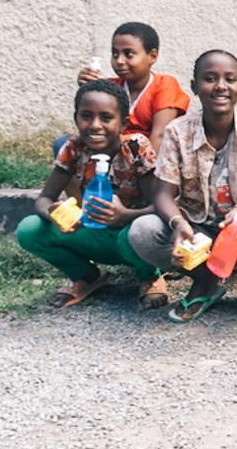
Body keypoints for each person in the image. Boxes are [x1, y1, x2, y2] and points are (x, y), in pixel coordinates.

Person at [127, 51, 237, 322]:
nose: (221, 86)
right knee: (143, 231)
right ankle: (204, 281)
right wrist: (179, 225)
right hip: (196, 229)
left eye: (229, 79)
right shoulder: (178, 131)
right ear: (195, 86)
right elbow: (164, 195)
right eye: (210, 79)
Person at [16, 80, 165, 310]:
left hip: (129, 236)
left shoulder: (136, 148)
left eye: (106, 118)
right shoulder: (73, 148)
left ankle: (149, 276)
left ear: (123, 123)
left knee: (142, 230)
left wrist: (124, 215)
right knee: (30, 229)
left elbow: (161, 206)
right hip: (91, 233)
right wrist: (55, 214)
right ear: (76, 118)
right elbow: (44, 198)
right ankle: (86, 276)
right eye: (86, 116)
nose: (95, 125)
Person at [76, 22, 190, 153]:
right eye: (115, 54)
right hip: (113, 153)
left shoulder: (164, 85)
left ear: (152, 56)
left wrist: (144, 171)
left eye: (128, 54)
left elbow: (160, 136)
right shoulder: (112, 87)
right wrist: (89, 88)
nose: (119, 60)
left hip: (148, 158)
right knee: (64, 142)